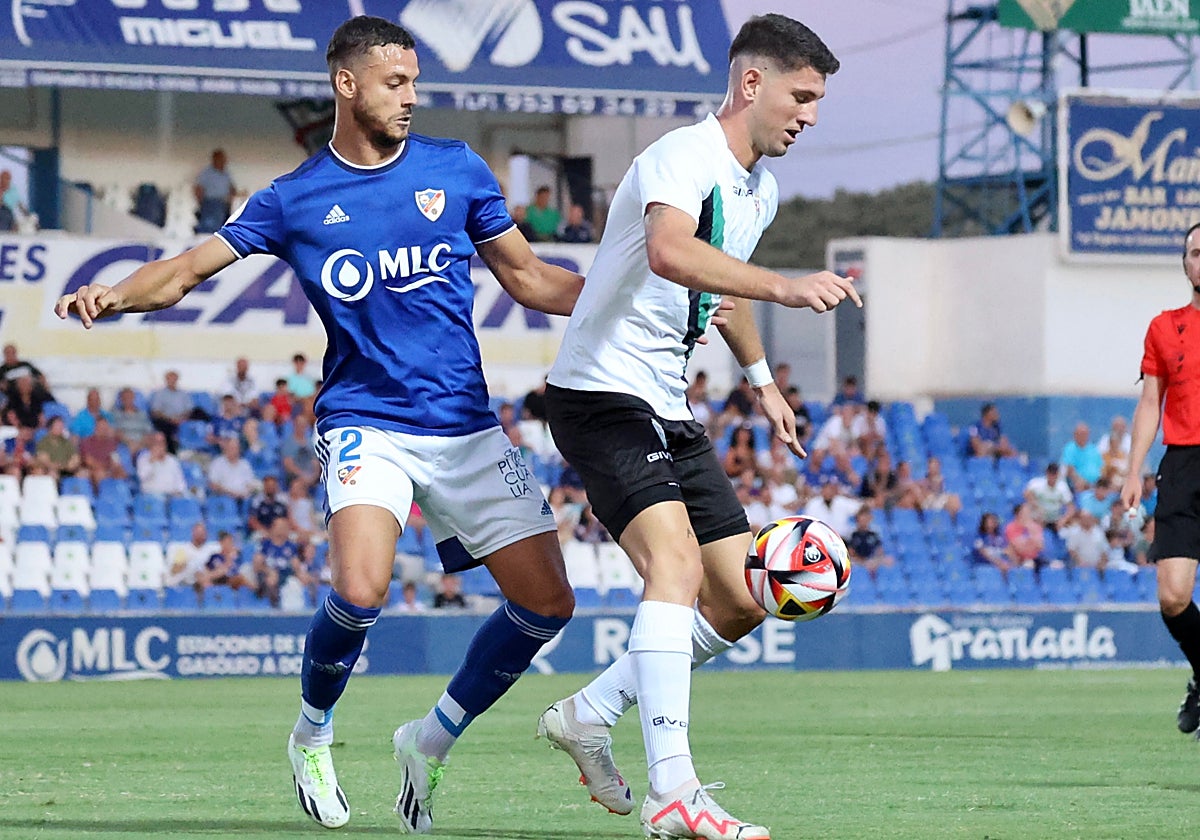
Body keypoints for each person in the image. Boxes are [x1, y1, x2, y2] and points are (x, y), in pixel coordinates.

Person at [55, 15, 583, 834]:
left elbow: (531, 278)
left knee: (548, 604)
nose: (410, 97)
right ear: (347, 84)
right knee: (361, 587)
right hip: (365, 419)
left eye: (414, 82)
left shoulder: (457, 168)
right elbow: (188, 271)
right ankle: (312, 730)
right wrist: (115, 292)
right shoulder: (295, 199)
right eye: (394, 83)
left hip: (465, 425)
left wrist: (629, 296)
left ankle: (428, 739)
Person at [534, 15, 854, 839]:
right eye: (802, 95)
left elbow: (722, 292)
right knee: (672, 565)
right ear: (753, 83)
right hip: (599, 391)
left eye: (818, 101)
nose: (810, 115)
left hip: (665, 403)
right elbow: (674, 251)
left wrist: (762, 384)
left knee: (745, 598)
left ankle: (589, 713)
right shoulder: (681, 155)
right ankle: (674, 793)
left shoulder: (761, 188)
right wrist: (788, 287)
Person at [1120, 221, 1200, 740]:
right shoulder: (1164, 326)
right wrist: (1133, 469)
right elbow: (1151, 401)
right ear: (1186, 263)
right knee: (1172, 597)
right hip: (1183, 467)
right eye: (1196, 251)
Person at [194, 148, 236, 234]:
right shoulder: (207, 173)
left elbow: (231, 187)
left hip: (223, 204)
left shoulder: (226, 173)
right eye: (221, 159)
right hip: (210, 202)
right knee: (209, 225)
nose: (224, 162)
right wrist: (200, 203)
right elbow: (198, 188)